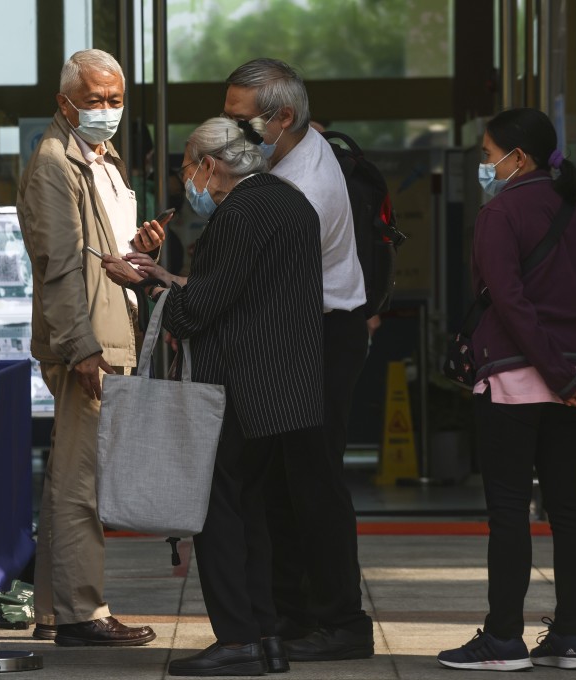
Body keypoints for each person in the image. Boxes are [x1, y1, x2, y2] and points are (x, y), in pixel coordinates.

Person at [103, 115, 323, 676]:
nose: (187, 183)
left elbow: (202, 309)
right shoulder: (290, 202)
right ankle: (267, 634)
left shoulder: (238, 214)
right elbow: (245, 292)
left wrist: (146, 286)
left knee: (219, 511)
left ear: (210, 164)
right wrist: (169, 276)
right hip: (283, 388)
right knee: (255, 512)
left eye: (186, 168)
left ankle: (237, 639)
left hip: (237, 387)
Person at [437, 108, 576, 672]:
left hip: (514, 382)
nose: (487, 165)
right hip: (573, 387)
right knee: (569, 509)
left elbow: (509, 303)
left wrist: (563, 376)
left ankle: (504, 639)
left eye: (490, 155)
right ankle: (569, 639)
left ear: (520, 157)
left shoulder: (500, 214)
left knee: (509, 511)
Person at [222, 57, 374, 660]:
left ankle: (341, 622)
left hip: (321, 333)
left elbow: (259, 284)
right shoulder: (287, 154)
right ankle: (292, 613)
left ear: (282, 117)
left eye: (241, 120)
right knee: (282, 483)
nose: (232, 132)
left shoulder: (303, 187)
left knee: (313, 483)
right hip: (300, 328)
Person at [16, 48, 167, 648]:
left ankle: (59, 610)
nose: (107, 110)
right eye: (94, 100)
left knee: (71, 475)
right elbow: (56, 265)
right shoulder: (55, 163)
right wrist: (80, 347)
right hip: (89, 341)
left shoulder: (100, 158)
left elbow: (98, 251)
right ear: (64, 102)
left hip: (109, 329)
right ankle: (84, 613)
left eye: (114, 100)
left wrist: (141, 243)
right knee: (83, 480)